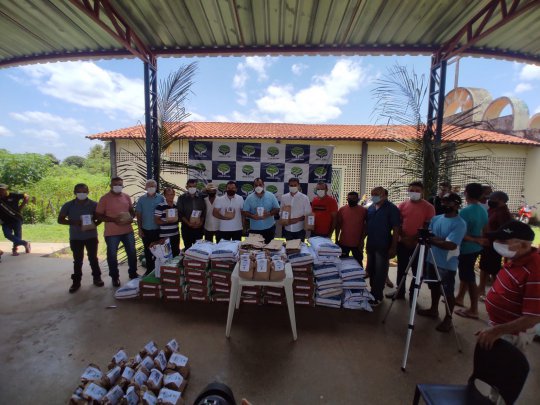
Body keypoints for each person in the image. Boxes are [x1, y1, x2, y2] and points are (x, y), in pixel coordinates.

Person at [477, 220, 540, 351]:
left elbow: (533, 317)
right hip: (501, 327)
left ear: (524, 245)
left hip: (512, 333)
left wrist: (497, 331)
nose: (497, 243)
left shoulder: (535, 270)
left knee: (504, 362)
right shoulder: (517, 258)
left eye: (504, 241)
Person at [417, 193, 467, 332]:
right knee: (433, 286)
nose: (444, 204)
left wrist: (432, 240)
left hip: (447, 263)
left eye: (448, 202)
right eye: (443, 201)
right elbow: (432, 236)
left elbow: (450, 245)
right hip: (431, 258)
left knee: (447, 291)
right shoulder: (436, 218)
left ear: (456, 205)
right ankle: (433, 309)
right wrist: (438, 240)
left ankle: (448, 319)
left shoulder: (460, 223)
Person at [387, 181, 435, 301]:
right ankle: (400, 292)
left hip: (419, 244)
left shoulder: (429, 207)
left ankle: (413, 295)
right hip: (402, 243)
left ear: (422, 192)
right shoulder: (402, 205)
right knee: (401, 269)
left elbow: (427, 225)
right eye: (412, 190)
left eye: (417, 191)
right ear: (408, 191)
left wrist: (413, 239)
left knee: (417, 271)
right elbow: (398, 223)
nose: (414, 193)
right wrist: (404, 238)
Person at [58, 183, 104, 293]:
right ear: (74, 192)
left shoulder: (94, 204)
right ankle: (76, 282)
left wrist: (93, 225)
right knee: (78, 260)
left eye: (84, 191)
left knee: (93, 258)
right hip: (76, 237)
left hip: (91, 236)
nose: (81, 193)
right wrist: (74, 222)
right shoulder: (68, 205)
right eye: (79, 191)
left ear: (88, 192)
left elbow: (100, 218)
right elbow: (60, 220)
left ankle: (97, 278)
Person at [95, 177, 138, 287]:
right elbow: (98, 215)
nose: (118, 186)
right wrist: (114, 219)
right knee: (112, 256)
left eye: (120, 184)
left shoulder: (126, 197)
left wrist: (131, 217)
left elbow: (131, 211)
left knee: (132, 253)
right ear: (111, 186)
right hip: (112, 233)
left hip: (127, 231)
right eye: (115, 184)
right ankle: (115, 277)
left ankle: (133, 273)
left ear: (122, 185)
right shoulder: (104, 199)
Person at [454, 182, 488, 319]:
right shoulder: (482, 210)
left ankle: (473, 309)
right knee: (466, 275)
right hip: (476, 248)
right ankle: (460, 298)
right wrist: (479, 240)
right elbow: (484, 230)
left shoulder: (465, 212)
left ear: (466, 193)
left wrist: (474, 239)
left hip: (467, 248)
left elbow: (460, 233)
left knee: (469, 278)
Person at [365, 186, 400, 307]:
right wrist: (361, 240)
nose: (374, 196)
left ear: (384, 195)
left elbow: (396, 229)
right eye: (373, 194)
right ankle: (373, 292)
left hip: (383, 245)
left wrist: (393, 247)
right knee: (371, 270)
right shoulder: (371, 207)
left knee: (380, 271)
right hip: (371, 244)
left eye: (377, 194)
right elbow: (367, 226)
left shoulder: (391, 208)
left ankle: (377, 296)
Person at [478, 191, 512, 301]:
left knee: (493, 270)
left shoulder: (503, 213)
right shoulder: (493, 210)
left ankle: (497, 293)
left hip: (495, 245)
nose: (489, 201)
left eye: (492, 199)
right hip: (487, 243)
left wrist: (495, 238)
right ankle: (481, 290)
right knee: (484, 267)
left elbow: (505, 230)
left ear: (500, 200)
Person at [135, 179, 164, 275]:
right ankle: (149, 270)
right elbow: (138, 214)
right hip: (146, 230)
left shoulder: (161, 198)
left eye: (153, 186)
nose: (151, 188)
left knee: (158, 250)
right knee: (147, 250)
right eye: (149, 186)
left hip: (158, 230)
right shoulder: (141, 199)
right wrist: (140, 229)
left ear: (156, 187)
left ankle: (158, 270)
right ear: (146, 187)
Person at [242, 178, 280, 243]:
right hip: (254, 229)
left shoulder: (271, 196)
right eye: (256, 185)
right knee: (255, 248)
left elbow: (277, 209)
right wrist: (253, 216)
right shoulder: (249, 198)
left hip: (269, 228)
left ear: (263, 185)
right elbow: (244, 212)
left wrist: (269, 214)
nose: (258, 187)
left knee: (269, 247)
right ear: (253, 186)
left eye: (260, 185)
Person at [335, 191, 367, 265]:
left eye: (353, 199)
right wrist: (336, 239)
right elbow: (338, 226)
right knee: (342, 263)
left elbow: (365, 227)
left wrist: (362, 241)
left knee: (359, 263)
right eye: (349, 199)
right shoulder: (342, 210)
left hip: (357, 244)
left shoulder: (363, 211)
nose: (351, 200)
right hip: (344, 243)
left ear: (357, 199)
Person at [0, 184, 31, 256]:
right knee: (7, 235)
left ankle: (14, 250)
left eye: (2, 190)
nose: (0, 191)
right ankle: (25, 243)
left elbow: (26, 196)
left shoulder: (13, 195)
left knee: (17, 235)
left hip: (16, 219)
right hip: (5, 221)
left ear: (5, 190)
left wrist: (22, 206)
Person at [177, 179, 206, 250]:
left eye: (194, 186)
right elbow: (180, 213)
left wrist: (201, 222)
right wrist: (188, 223)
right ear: (186, 187)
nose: (192, 188)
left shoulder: (202, 197)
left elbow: (204, 211)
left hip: (199, 228)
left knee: (198, 250)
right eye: (190, 186)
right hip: (186, 228)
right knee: (188, 249)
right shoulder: (181, 198)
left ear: (196, 187)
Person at [155, 187, 181, 257]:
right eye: (168, 195)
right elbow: (156, 220)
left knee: (176, 254)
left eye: (172, 194)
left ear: (174, 195)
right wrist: (167, 222)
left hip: (175, 234)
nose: (170, 196)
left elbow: (179, 218)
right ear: (165, 195)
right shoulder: (160, 206)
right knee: (166, 255)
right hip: (165, 236)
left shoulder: (176, 205)